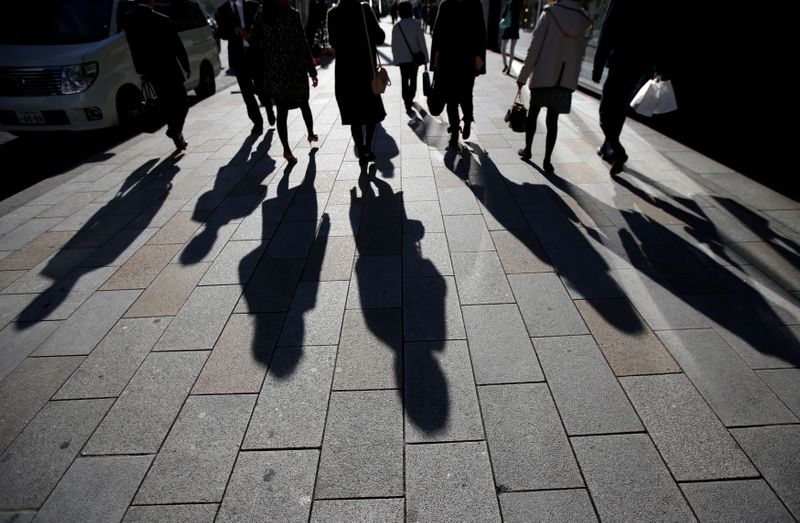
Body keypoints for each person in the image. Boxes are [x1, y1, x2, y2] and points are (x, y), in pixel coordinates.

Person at [516, 0, 590, 171]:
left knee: (533, 113)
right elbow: (580, 54)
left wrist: (523, 76)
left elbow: (534, 48)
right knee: (553, 120)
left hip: (544, 74)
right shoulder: (581, 20)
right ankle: (547, 160)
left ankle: (528, 150)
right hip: (564, 79)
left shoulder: (549, 14)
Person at [592, 0, 663, 175]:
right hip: (641, 67)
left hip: (621, 62)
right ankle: (607, 148)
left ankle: (617, 151)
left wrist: (598, 65)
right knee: (620, 109)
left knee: (606, 110)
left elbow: (607, 32)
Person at [251, 0, 318, 164]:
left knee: (282, 112)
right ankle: (310, 133)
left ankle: (287, 150)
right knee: (303, 102)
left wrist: (269, 49)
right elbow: (302, 43)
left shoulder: (262, 15)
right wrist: (311, 70)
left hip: (275, 71)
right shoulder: (292, 14)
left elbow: (254, 41)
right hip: (295, 68)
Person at [124, 0, 191, 150]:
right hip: (170, 69)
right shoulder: (162, 19)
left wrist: (140, 70)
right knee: (182, 102)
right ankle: (175, 130)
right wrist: (186, 67)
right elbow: (177, 46)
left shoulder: (130, 20)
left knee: (166, 103)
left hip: (151, 71)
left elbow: (133, 48)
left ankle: (175, 133)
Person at [328, 0, 386, 164]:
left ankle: (360, 150)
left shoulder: (332, 14)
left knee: (354, 116)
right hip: (366, 71)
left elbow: (333, 43)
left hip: (345, 74)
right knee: (371, 112)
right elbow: (379, 37)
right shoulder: (364, 9)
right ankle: (368, 146)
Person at [430, 0, 486, 148]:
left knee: (451, 99)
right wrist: (479, 56)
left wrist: (435, 59)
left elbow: (438, 34)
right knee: (466, 94)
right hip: (467, 59)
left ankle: (455, 134)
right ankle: (466, 121)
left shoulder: (446, 4)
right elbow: (481, 31)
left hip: (448, 59)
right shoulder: (475, 4)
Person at [217, 0, 274, 134]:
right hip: (238, 57)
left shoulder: (253, 6)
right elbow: (222, 33)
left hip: (255, 54)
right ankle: (257, 122)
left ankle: (269, 108)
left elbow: (264, 26)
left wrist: (251, 35)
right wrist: (234, 30)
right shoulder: (222, 10)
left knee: (260, 88)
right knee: (247, 92)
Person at [392, 2, 429, 112]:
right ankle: (411, 97)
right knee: (413, 79)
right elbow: (422, 42)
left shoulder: (396, 27)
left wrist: (396, 59)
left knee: (404, 79)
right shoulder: (416, 24)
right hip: (415, 59)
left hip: (402, 60)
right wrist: (426, 59)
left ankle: (406, 100)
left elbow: (394, 45)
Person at [499, 0, 522, 74]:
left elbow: (503, 15)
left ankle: (505, 65)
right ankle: (509, 67)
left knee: (503, 48)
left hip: (508, 28)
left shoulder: (509, 3)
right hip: (515, 28)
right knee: (512, 50)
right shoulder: (519, 3)